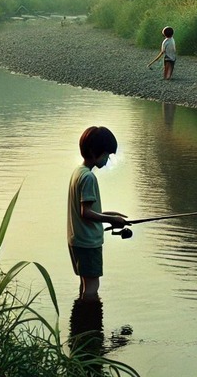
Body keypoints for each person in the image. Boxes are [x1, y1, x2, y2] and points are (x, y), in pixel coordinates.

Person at [67, 126, 128, 301]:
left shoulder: (78, 173)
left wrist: (112, 217)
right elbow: (85, 212)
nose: (107, 160)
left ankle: (80, 325)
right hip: (88, 242)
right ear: (95, 152)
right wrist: (110, 219)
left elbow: (84, 211)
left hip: (77, 239)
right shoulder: (89, 178)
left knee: (85, 284)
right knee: (92, 288)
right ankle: (91, 322)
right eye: (106, 155)